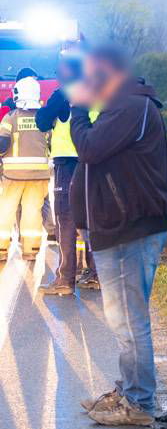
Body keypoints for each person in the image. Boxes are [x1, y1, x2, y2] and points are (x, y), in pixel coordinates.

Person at [68, 45, 167, 426]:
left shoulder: (130, 106)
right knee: (124, 319)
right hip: (122, 225)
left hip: (132, 227)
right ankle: (131, 392)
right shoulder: (126, 105)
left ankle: (139, 404)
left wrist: (78, 111)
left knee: (129, 321)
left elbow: (91, 149)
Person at [37, 50, 100, 296]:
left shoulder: (63, 92)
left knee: (66, 218)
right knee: (91, 219)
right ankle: (95, 274)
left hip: (68, 162)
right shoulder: (97, 92)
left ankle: (64, 278)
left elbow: (42, 121)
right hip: (93, 161)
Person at [0, 75, 50, 262]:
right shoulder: (43, 118)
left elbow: (2, 143)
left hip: (13, 175)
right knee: (32, 211)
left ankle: (1, 249)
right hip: (39, 175)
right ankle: (31, 250)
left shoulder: (10, 117)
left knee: (6, 210)